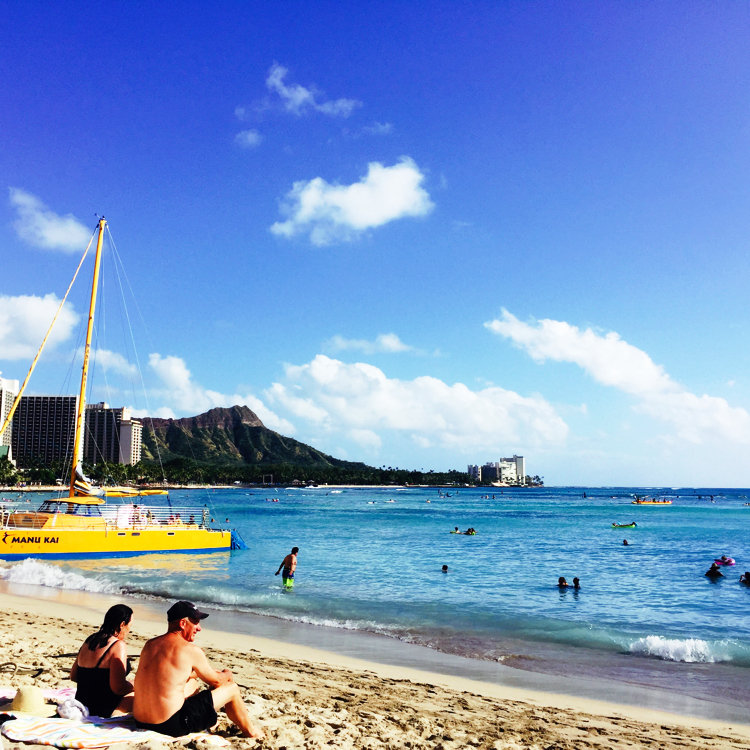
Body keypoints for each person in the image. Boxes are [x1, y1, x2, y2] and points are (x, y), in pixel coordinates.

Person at [133, 601, 263, 739]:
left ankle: (211, 720)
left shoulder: (149, 645)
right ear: (183, 623)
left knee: (192, 683)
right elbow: (217, 681)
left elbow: (168, 674)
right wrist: (227, 673)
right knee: (232, 689)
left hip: (140, 721)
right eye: (195, 622)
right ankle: (251, 732)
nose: (199, 628)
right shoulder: (190, 650)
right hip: (170, 725)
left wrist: (195, 674)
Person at [70, 604, 134, 717]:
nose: (129, 630)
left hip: (82, 703)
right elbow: (118, 688)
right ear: (122, 624)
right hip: (102, 709)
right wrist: (135, 685)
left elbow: (74, 676)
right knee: (140, 695)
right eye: (130, 625)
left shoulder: (90, 640)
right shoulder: (118, 645)